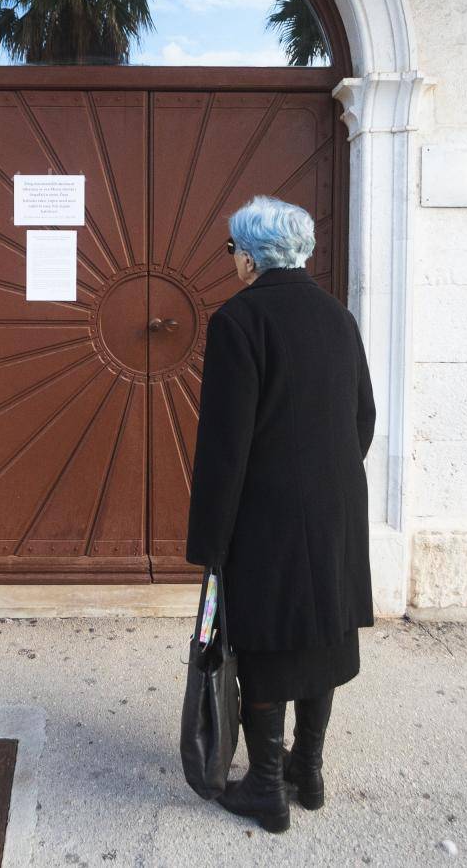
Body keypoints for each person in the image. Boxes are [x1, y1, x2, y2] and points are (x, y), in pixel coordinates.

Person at [186, 195, 376, 834]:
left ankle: (266, 787)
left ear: (250, 254)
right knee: (322, 633)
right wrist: (331, 478)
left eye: (231, 247)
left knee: (266, 638)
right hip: (337, 509)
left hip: (266, 513)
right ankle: (308, 770)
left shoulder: (238, 321)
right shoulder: (338, 317)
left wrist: (211, 538)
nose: (231, 259)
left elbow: (224, 443)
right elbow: (364, 416)